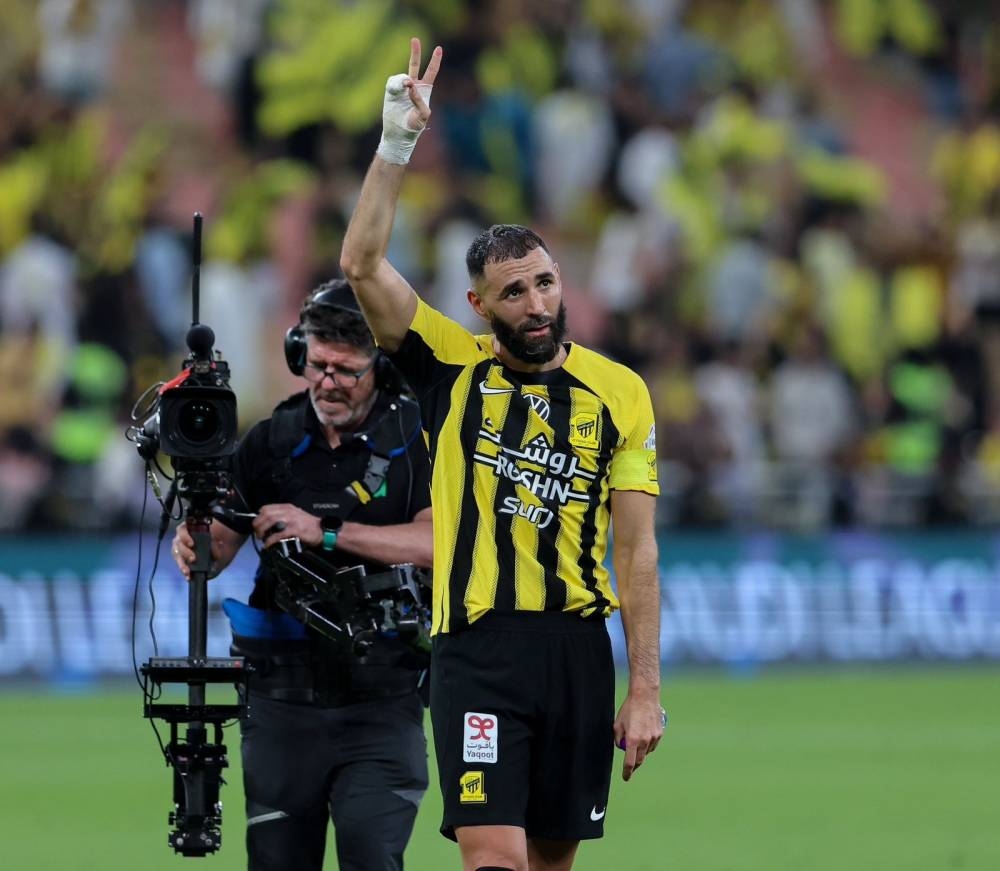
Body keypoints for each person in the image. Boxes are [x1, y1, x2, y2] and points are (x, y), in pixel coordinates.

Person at [339, 39, 664, 871]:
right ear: (480, 305)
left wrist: (645, 688)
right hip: (477, 651)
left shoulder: (619, 392)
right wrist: (397, 143)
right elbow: (361, 264)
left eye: (545, 282)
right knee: (495, 861)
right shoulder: (450, 366)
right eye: (513, 291)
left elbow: (635, 550)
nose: (535, 302)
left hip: (578, 652)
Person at [171, 279, 433, 871]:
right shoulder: (270, 441)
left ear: (379, 366)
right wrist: (194, 537)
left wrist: (327, 532)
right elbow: (215, 551)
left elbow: (440, 544)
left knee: (372, 856)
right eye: (317, 365)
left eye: (346, 370)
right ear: (298, 354)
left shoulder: (418, 438)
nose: (328, 382)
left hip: (383, 695)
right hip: (279, 698)